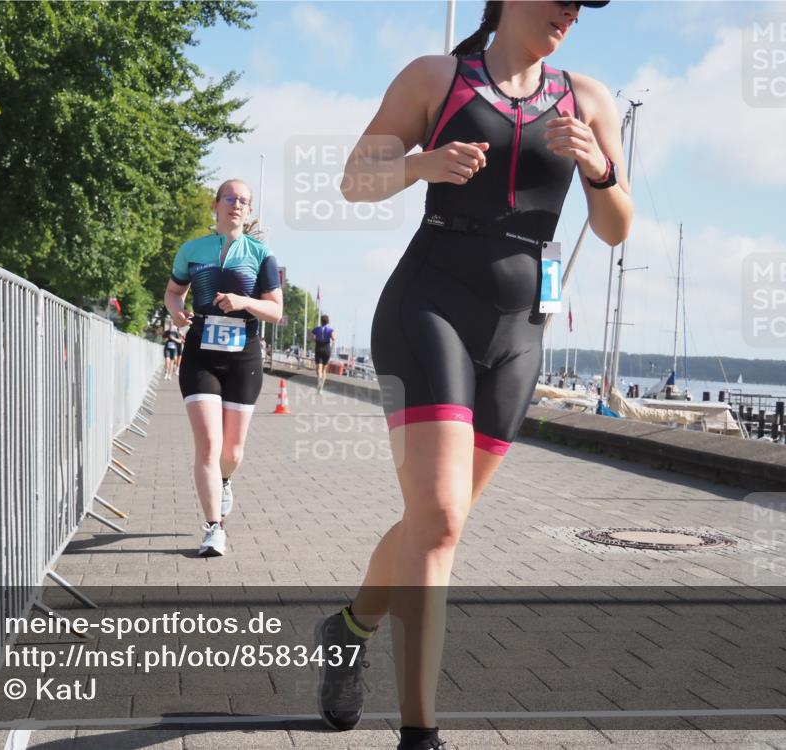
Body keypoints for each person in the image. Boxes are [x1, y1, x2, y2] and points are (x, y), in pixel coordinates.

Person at [314, 3, 631, 749]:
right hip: (431, 308)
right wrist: (419, 165)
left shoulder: (589, 98)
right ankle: (420, 736)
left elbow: (617, 227)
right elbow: (355, 180)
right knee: (444, 520)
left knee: (434, 521)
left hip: (521, 331)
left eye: (583, 5)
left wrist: (599, 166)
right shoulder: (437, 77)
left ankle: (349, 627)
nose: (571, 12)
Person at [164, 179, 284, 557]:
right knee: (209, 446)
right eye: (229, 198)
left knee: (231, 451)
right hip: (200, 352)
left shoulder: (261, 256)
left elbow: (277, 312)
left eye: (243, 201)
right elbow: (173, 290)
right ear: (215, 205)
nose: (236, 204)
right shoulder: (193, 250)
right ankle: (213, 528)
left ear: (248, 212)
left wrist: (244, 301)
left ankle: (226, 479)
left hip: (243, 356)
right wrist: (176, 310)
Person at [311, 314, 337, 392]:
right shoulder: (330, 330)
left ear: (321, 321)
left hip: (319, 347)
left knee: (319, 368)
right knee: (324, 369)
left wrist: (316, 339)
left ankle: (319, 379)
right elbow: (333, 338)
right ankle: (321, 387)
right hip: (326, 348)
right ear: (328, 322)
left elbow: (312, 337)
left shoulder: (316, 329)